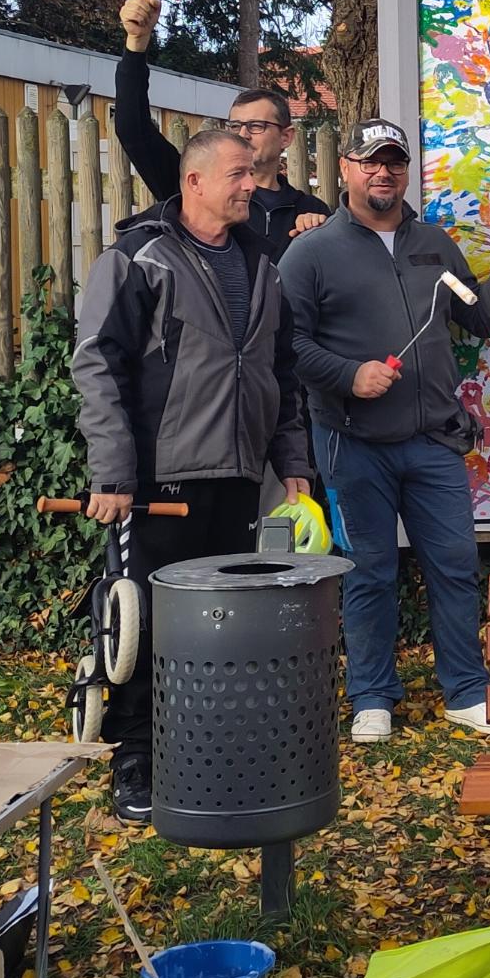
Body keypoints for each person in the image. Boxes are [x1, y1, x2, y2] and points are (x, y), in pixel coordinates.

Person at [72, 128, 312, 822]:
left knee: (218, 623)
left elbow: (282, 372)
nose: (253, 184)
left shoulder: (264, 263)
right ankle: (137, 759)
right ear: (196, 182)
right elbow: (96, 362)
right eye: (239, 174)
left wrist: (291, 462)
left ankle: (205, 747)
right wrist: (113, 471)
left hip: (237, 476)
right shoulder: (138, 257)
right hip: (156, 483)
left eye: (255, 174)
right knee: (146, 621)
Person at [280, 118, 490, 744]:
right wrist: (347, 374)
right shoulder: (311, 252)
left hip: (434, 441)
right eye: (370, 161)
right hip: (351, 441)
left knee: (452, 563)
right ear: (347, 170)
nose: (382, 172)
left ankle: (467, 693)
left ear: (405, 171)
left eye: (393, 161)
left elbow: (480, 320)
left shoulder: (434, 244)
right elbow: (286, 345)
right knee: (368, 572)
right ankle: (371, 698)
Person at [117, 0, 330, 242]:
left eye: (256, 126)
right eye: (235, 125)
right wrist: (136, 45)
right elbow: (132, 129)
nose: (243, 134)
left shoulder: (310, 211)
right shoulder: (197, 188)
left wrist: (315, 234)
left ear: (286, 137)